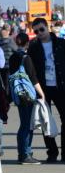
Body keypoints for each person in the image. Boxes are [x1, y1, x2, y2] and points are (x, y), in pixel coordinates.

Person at [27, 17, 65, 162]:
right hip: (42, 88)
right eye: (36, 31)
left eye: (42, 29)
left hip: (61, 85)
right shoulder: (33, 46)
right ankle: (52, 152)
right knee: (45, 120)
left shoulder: (61, 43)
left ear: (48, 27)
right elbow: (31, 69)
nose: (40, 33)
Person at [9, 33, 44, 164]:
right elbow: (33, 78)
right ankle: (26, 154)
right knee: (28, 125)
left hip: (18, 94)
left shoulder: (13, 57)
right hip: (28, 95)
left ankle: (22, 153)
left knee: (23, 124)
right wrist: (42, 93)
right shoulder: (26, 58)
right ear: (27, 44)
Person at [0, 25, 16, 95]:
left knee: (2, 84)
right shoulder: (11, 41)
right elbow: (16, 51)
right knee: (7, 84)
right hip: (8, 66)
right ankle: (6, 99)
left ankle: (4, 98)